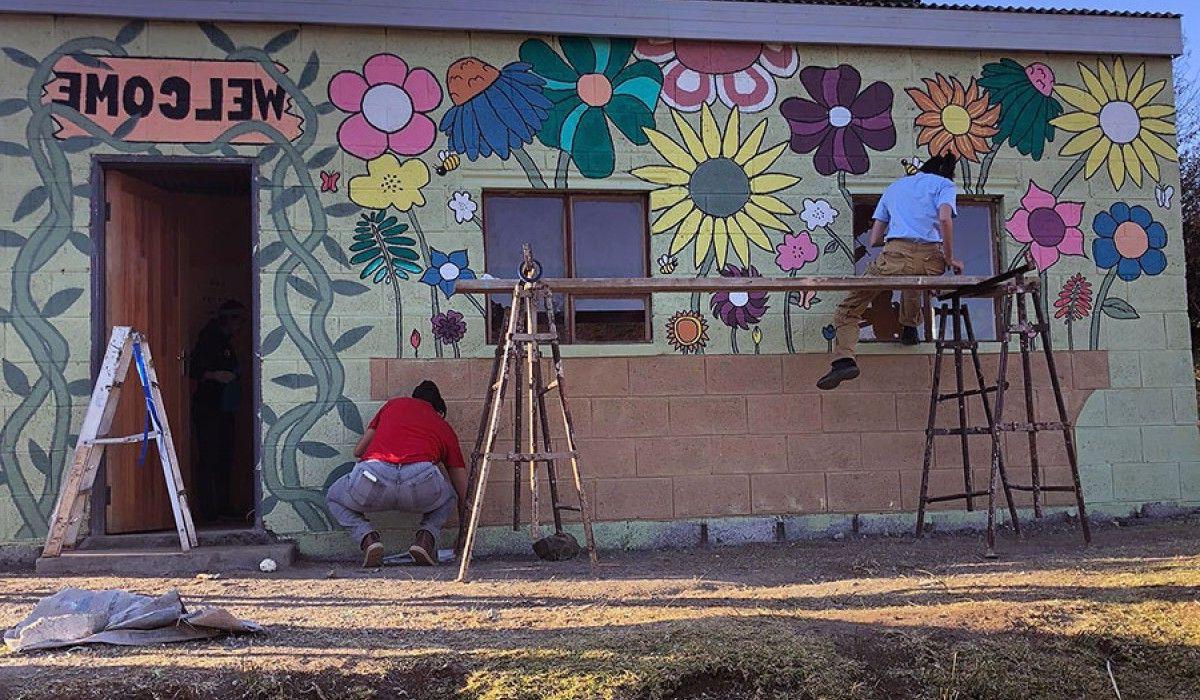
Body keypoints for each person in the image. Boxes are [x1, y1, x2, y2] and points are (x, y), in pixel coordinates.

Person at [817, 153, 965, 391]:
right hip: (931, 261)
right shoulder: (945, 185)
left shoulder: (895, 187)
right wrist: (950, 258)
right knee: (913, 284)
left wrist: (899, 234)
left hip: (896, 255)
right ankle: (909, 327)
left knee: (849, 308)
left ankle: (844, 359)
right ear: (945, 173)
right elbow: (945, 219)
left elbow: (875, 238)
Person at [326, 381, 468, 567]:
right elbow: (463, 490)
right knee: (449, 496)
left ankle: (368, 538)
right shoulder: (443, 426)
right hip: (420, 480)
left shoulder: (394, 405)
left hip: (374, 474)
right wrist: (464, 537)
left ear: (414, 397)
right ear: (438, 408)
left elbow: (359, 450)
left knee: (334, 498)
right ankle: (425, 541)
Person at [189, 299, 247, 522]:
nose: (241, 326)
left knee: (224, 456)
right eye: (239, 320)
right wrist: (215, 375)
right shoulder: (209, 338)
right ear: (228, 320)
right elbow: (194, 369)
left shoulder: (226, 341)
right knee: (209, 457)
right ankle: (208, 510)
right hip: (209, 407)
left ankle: (223, 506)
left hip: (224, 407)